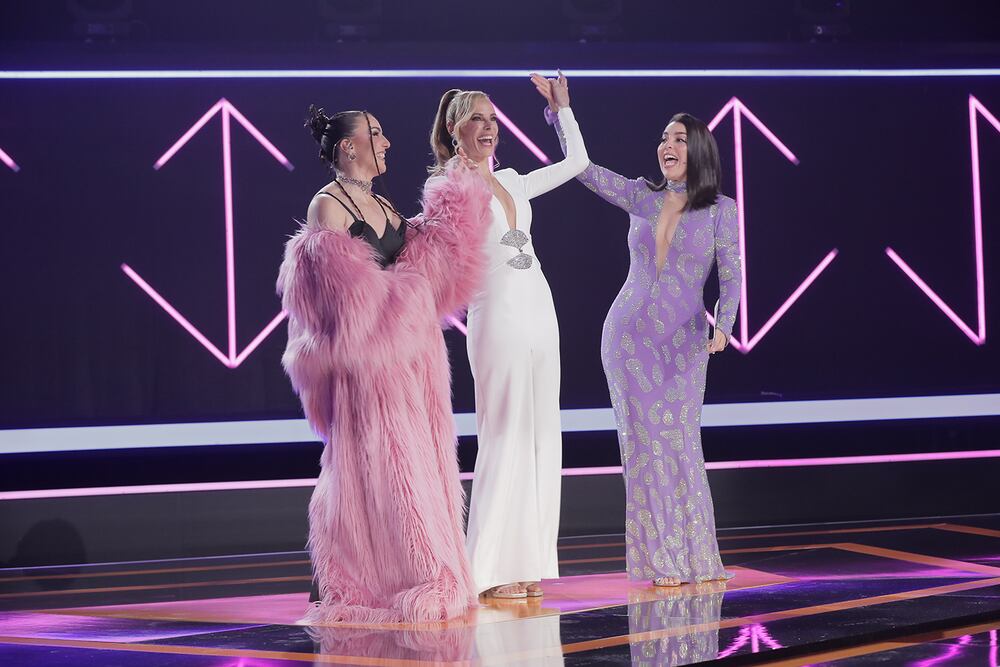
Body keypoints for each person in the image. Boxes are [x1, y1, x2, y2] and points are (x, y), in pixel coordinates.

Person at [277, 105, 491, 622]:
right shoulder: (327, 208)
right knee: (383, 469)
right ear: (348, 147)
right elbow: (350, 311)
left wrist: (454, 191)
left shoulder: (381, 204)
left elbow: (426, 260)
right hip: (370, 375)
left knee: (421, 464)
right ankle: (386, 576)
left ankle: (421, 569)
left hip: (413, 367)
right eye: (374, 133)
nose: (387, 141)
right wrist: (410, 294)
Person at [542, 83, 742, 586]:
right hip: (629, 340)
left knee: (681, 442)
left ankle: (697, 557)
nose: (666, 145)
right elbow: (583, 170)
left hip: (687, 341)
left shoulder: (721, 209)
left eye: (678, 138)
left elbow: (732, 272)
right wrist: (562, 112)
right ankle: (660, 560)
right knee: (646, 446)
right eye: (662, 138)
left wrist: (728, 324)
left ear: (697, 150)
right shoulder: (641, 195)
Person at [429, 73, 589, 599]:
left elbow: (577, 164)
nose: (489, 126)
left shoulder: (516, 180)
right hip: (495, 313)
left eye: (493, 117)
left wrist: (560, 110)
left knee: (542, 433)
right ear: (456, 130)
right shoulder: (450, 186)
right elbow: (432, 240)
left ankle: (528, 563)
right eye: (477, 117)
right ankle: (491, 568)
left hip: (540, 310)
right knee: (504, 431)